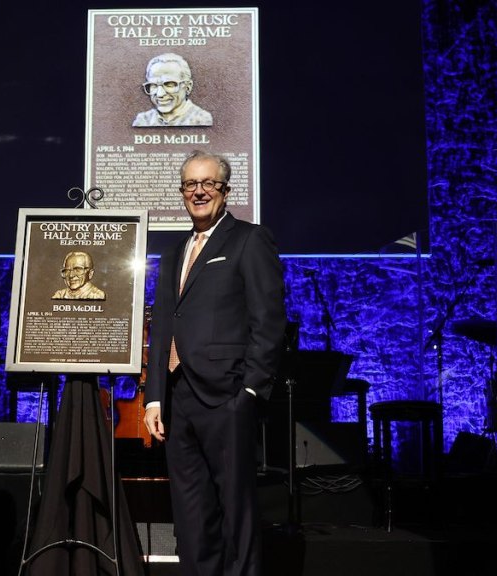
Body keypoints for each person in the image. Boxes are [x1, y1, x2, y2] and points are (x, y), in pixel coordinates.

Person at [143, 151, 285, 576]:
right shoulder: (174, 252)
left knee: (236, 512)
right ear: (182, 192)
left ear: (225, 191)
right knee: (190, 514)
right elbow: (165, 323)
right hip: (177, 397)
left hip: (227, 396)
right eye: (190, 184)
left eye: (209, 184)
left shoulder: (249, 239)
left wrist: (251, 390)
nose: (199, 191)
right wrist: (154, 399)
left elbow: (269, 320)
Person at [132, 53, 214, 127]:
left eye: (169, 85)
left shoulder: (202, 119)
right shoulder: (143, 120)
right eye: (153, 85)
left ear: (188, 87)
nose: (160, 94)